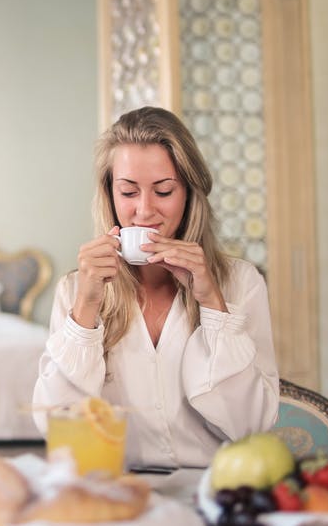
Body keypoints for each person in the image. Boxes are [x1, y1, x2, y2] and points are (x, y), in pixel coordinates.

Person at [33, 106, 279, 469]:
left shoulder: (241, 283)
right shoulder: (75, 289)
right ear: (110, 194)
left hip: (215, 493)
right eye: (129, 192)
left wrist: (211, 302)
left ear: (189, 194)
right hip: (118, 494)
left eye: (163, 191)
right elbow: (54, 427)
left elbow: (251, 426)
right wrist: (86, 306)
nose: (145, 211)